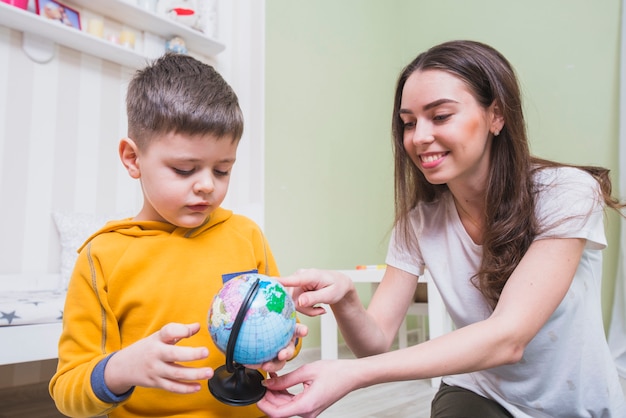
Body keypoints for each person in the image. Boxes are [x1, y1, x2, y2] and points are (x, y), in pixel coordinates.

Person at [257, 40, 626, 418]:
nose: (418, 137)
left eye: (440, 116)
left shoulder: (567, 192)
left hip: (578, 404)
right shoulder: (418, 224)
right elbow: (376, 342)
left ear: (495, 116)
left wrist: (353, 374)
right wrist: (347, 299)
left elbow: (509, 337)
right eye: (408, 123)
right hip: (479, 391)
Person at [49, 53, 306, 418]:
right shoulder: (101, 257)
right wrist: (122, 367)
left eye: (222, 170)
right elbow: (67, 391)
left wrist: (284, 343)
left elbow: (278, 335)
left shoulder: (246, 235)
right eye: (185, 169)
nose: (206, 186)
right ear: (132, 159)